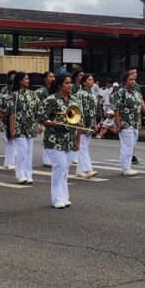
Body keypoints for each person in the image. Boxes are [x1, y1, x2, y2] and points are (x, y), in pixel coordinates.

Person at [38, 74, 80, 208]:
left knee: (65, 169)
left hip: (69, 139)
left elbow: (79, 122)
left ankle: (64, 197)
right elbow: (41, 117)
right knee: (59, 167)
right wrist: (52, 123)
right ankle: (56, 199)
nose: (70, 85)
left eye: (71, 83)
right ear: (60, 85)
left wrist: (77, 141)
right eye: (67, 83)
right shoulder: (51, 99)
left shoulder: (74, 100)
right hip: (54, 139)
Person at [112, 71, 145, 176]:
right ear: (125, 81)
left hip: (135, 123)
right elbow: (116, 109)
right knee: (127, 145)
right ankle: (125, 168)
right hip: (125, 123)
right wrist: (118, 124)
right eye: (130, 80)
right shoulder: (120, 93)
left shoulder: (136, 93)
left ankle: (127, 166)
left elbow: (141, 103)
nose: (133, 82)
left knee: (131, 145)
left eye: (134, 80)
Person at [7, 71, 39, 184]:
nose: (28, 81)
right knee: (23, 151)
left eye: (28, 79)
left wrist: (39, 124)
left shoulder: (32, 94)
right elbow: (12, 113)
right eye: (26, 79)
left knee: (29, 152)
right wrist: (12, 129)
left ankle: (28, 174)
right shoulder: (14, 95)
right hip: (19, 127)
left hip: (30, 127)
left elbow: (37, 110)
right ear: (20, 81)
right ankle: (20, 174)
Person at [75, 73, 100, 179]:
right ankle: (88, 169)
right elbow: (78, 109)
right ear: (84, 82)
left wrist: (95, 123)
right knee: (83, 146)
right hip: (82, 122)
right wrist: (80, 122)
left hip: (90, 122)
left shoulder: (94, 94)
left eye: (92, 79)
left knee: (85, 146)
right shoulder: (80, 94)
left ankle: (80, 171)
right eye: (89, 80)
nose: (91, 81)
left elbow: (94, 111)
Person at [0, 70, 17, 170]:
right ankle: (11, 163)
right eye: (13, 78)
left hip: (17, 122)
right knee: (11, 143)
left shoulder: (18, 92)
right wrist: (1, 115)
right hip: (7, 123)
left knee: (12, 144)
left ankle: (8, 163)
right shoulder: (4, 92)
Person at [36, 71, 56, 168]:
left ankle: (51, 159)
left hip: (54, 118)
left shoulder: (56, 90)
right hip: (44, 118)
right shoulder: (40, 91)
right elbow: (35, 106)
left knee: (54, 139)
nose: (53, 78)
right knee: (47, 139)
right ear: (45, 79)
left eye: (53, 77)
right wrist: (39, 122)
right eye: (50, 76)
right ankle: (46, 160)